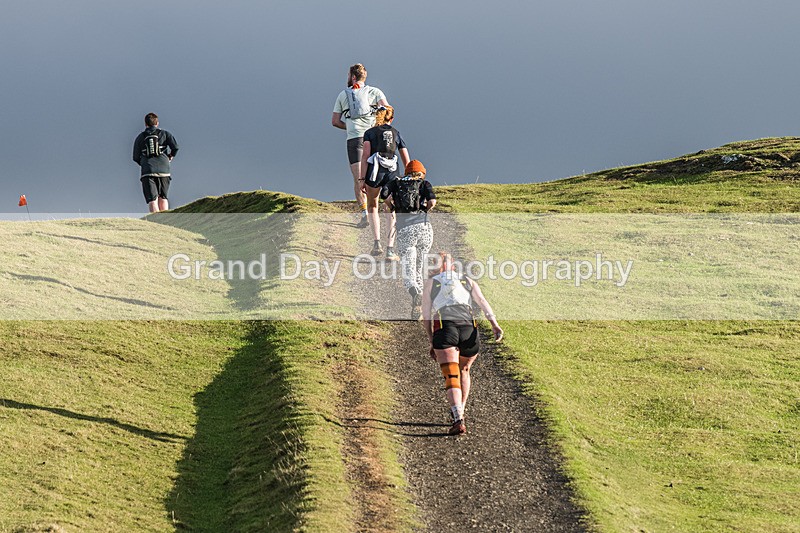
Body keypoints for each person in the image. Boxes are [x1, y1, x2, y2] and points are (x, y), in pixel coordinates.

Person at [422, 253, 504, 436]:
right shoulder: (467, 280)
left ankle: (458, 418)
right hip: (469, 328)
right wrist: (494, 324)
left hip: (446, 328)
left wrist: (431, 340)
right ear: (453, 266)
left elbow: (426, 315)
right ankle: (460, 411)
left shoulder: (431, 283)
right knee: (464, 371)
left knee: (451, 375)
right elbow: (482, 302)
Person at [331, 63, 389, 227]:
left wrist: (349, 126)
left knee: (358, 179)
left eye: (348, 76)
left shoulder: (343, 95)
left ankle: (365, 213)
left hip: (355, 140)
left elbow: (335, 121)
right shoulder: (375, 92)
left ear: (353, 77)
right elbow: (389, 110)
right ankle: (381, 208)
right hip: (374, 137)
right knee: (379, 174)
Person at [384, 160, 436, 318]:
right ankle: (419, 309)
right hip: (425, 229)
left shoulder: (395, 182)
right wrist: (425, 210)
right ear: (421, 172)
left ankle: (415, 294)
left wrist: (392, 207)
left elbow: (384, 196)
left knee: (408, 272)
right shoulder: (424, 183)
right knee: (419, 268)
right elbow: (433, 202)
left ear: (406, 172)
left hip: (405, 230)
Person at [360, 105, 410, 259]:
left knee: (372, 205)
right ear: (392, 119)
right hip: (392, 173)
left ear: (377, 117)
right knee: (391, 208)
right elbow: (405, 157)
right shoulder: (396, 133)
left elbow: (365, 156)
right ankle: (390, 249)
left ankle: (376, 243)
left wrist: (362, 178)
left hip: (374, 172)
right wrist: (408, 176)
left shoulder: (369, 133)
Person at [132, 113, 179, 213]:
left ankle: (156, 222)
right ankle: (165, 221)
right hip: (164, 170)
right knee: (163, 197)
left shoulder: (140, 137)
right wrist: (170, 156)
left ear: (146, 124)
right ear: (157, 123)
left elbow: (135, 157)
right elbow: (176, 147)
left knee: (152, 200)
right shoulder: (165, 134)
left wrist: (144, 163)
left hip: (148, 171)